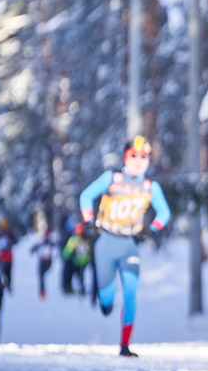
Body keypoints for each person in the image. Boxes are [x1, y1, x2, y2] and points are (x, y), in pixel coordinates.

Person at [78, 136, 171, 356]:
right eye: (134, 156)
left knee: (130, 291)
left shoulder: (150, 187)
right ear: (125, 157)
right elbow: (86, 196)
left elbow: (164, 212)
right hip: (105, 242)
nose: (138, 161)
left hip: (129, 244)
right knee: (107, 296)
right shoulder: (112, 178)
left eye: (144, 157)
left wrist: (152, 229)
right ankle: (105, 301)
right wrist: (89, 221)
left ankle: (125, 346)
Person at [62, 222, 92, 295]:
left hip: (77, 262)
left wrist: (67, 256)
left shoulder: (74, 239)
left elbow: (66, 252)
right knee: (81, 275)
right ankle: (81, 287)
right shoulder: (87, 239)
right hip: (84, 262)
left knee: (71, 273)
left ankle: (70, 287)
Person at [31, 227, 56, 299]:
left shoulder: (50, 242)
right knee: (41, 276)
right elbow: (34, 248)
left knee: (42, 276)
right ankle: (42, 291)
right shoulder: (43, 242)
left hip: (46, 261)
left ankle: (42, 291)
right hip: (43, 261)